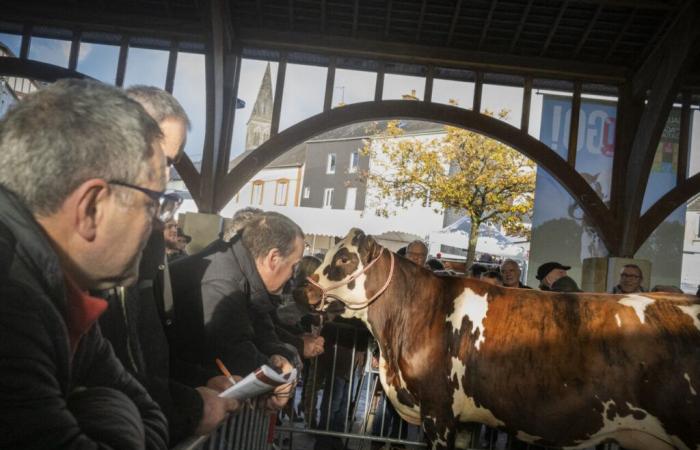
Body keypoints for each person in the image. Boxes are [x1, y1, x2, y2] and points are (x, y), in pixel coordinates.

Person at [0, 79, 168, 449]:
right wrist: (113, 409)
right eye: (153, 202)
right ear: (92, 208)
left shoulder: (60, 294)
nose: (160, 225)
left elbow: (151, 413)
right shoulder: (13, 304)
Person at [98, 85, 239, 446]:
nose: (164, 178)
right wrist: (190, 407)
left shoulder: (140, 249)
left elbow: (140, 351)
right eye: (164, 159)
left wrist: (197, 385)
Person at [171, 211, 303, 411]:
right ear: (273, 258)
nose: (293, 275)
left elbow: (261, 325)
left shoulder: (243, 274)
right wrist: (277, 378)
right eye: (294, 266)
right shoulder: (222, 282)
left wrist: (278, 354)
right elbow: (232, 352)